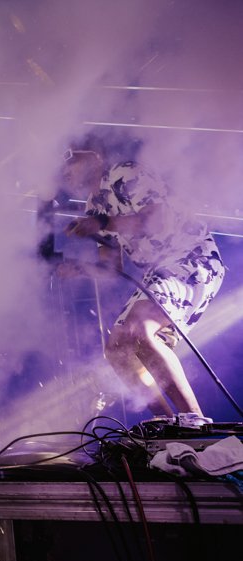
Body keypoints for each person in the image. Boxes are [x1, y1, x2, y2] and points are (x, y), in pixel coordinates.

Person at [64, 149, 226, 418]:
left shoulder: (124, 173)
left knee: (139, 329)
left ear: (93, 156)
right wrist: (78, 268)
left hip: (191, 256)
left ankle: (193, 419)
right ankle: (166, 423)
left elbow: (156, 220)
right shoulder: (93, 205)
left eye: (71, 161)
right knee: (116, 349)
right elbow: (112, 267)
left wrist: (102, 222)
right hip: (158, 272)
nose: (65, 171)